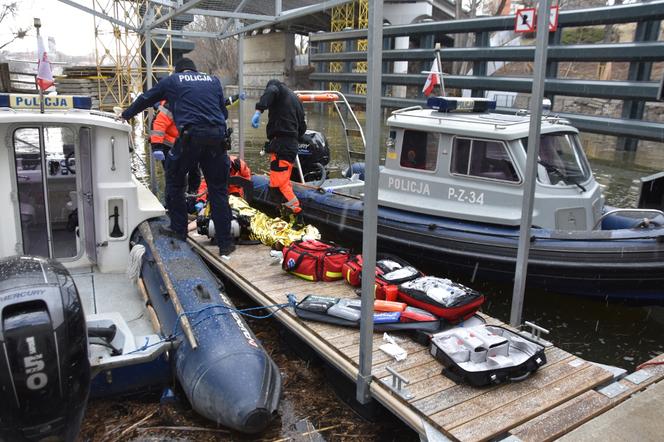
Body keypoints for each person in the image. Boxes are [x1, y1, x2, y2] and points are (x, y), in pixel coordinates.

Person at [122, 57, 235, 256]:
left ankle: (179, 230)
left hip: (191, 138)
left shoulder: (173, 81)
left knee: (175, 181)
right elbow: (223, 114)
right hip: (217, 139)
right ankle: (225, 243)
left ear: (178, 71)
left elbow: (145, 99)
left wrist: (125, 115)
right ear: (194, 70)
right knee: (218, 190)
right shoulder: (214, 80)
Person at [251, 79, 306, 215]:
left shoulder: (277, 89)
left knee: (278, 185)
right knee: (282, 183)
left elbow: (271, 91)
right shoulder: (295, 99)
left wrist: (259, 110)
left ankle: (297, 214)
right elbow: (302, 127)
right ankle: (284, 214)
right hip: (289, 146)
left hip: (282, 146)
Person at [150, 100, 201, 195]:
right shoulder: (172, 105)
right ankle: (175, 201)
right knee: (174, 177)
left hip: (187, 142)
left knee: (194, 171)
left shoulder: (193, 101)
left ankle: (192, 196)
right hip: (170, 146)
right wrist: (157, 146)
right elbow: (159, 125)